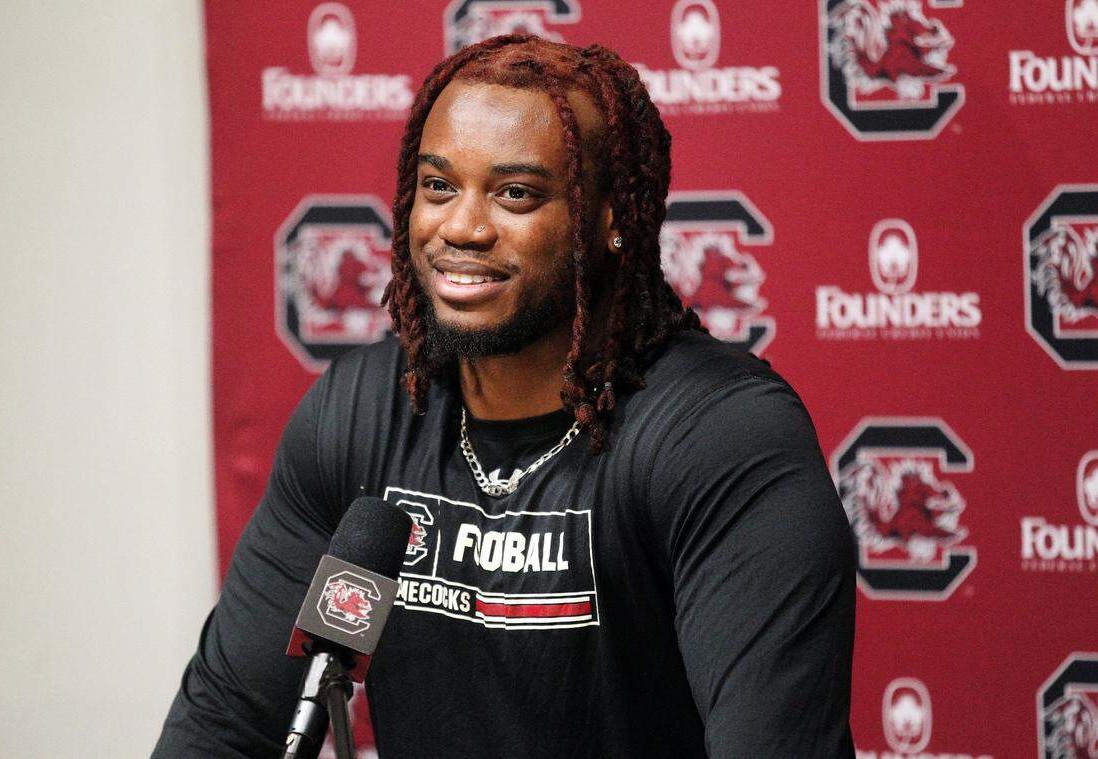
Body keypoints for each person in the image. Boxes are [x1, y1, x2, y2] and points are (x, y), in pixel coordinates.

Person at [153, 35, 855, 758]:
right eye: (438, 186)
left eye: (515, 193)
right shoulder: (361, 412)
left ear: (613, 218)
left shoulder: (720, 436)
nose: (461, 228)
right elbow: (227, 722)